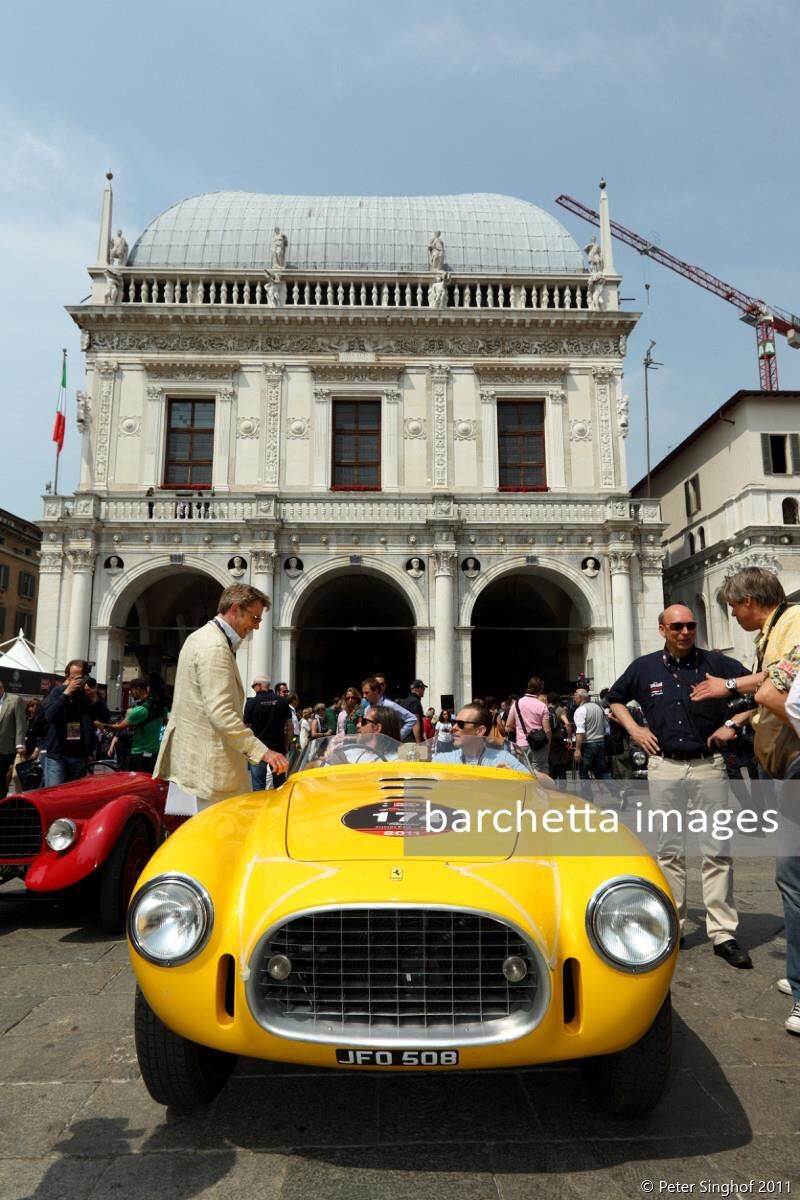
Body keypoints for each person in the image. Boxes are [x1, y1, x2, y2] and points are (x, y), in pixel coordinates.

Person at [607, 603, 752, 968]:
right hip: (665, 767)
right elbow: (614, 699)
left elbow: (760, 686)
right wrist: (635, 729)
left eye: (690, 625)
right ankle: (673, 923)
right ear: (663, 630)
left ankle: (723, 932)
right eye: (677, 627)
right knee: (669, 851)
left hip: (709, 765)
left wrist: (732, 724)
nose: (685, 632)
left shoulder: (716, 663)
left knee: (717, 850)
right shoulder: (644, 667)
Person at [153, 584, 288, 810]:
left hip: (196, 765)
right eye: (255, 618)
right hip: (210, 771)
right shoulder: (214, 646)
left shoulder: (200, 638)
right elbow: (222, 713)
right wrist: (263, 752)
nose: (256, 626)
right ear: (235, 609)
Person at [41, 662, 110, 787]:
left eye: (80, 677)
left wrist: (94, 698)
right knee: (54, 793)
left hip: (79, 754)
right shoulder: (58, 692)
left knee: (74, 793)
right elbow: (50, 715)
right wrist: (66, 693)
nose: (77, 680)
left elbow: (105, 718)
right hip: (58, 753)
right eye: (74, 677)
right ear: (68, 676)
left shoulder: (89, 694)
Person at [433, 704, 529, 773]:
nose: (453, 728)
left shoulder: (503, 759)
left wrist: (507, 779)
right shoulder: (443, 761)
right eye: (454, 722)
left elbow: (530, 783)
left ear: (480, 731)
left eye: (461, 724)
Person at [103, 674, 167, 773]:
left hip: (139, 753)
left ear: (137, 689)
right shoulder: (161, 707)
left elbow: (120, 726)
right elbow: (165, 722)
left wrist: (102, 725)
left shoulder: (140, 710)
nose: (131, 693)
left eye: (131, 690)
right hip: (154, 753)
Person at [244, 675, 292, 790]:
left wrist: (248, 748)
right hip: (278, 749)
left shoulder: (251, 703)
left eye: (253, 686)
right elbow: (290, 726)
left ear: (259, 686)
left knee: (258, 787)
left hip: (258, 750)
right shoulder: (282, 701)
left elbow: (246, 728)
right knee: (280, 786)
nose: (253, 688)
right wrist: (286, 744)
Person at [505, 677, 551, 773]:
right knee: (539, 774)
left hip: (521, 745)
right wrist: (548, 745)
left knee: (522, 774)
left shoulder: (516, 704)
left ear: (528, 686)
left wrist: (519, 729)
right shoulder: (542, 706)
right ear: (540, 690)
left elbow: (508, 727)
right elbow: (547, 730)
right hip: (539, 746)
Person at [361, 676, 417, 742]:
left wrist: (398, 736)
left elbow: (412, 719)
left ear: (376, 691)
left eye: (366, 693)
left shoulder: (390, 705)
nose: (364, 696)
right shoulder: (367, 709)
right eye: (363, 693)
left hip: (388, 745)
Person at [572, 688, 610, 780]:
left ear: (581, 697)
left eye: (575, 695)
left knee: (584, 773)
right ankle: (614, 788)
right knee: (602, 772)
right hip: (600, 742)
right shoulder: (598, 708)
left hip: (588, 744)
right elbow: (606, 727)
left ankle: (587, 790)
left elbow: (580, 731)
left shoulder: (580, 710)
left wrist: (577, 750)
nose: (574, 697)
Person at [0, 681, 27, 798]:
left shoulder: (15, 700)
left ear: (1, 688)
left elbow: (21, 723)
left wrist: (20, 744)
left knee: (3, 777)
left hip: (6, 747)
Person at [399, 679, 427, 744]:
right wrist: (418, 742)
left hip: (403, 739)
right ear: (418, 689)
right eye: (423, 688)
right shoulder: (415, 702)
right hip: (412, 740)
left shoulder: (404, 701)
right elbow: (415, 722)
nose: (424, 690)